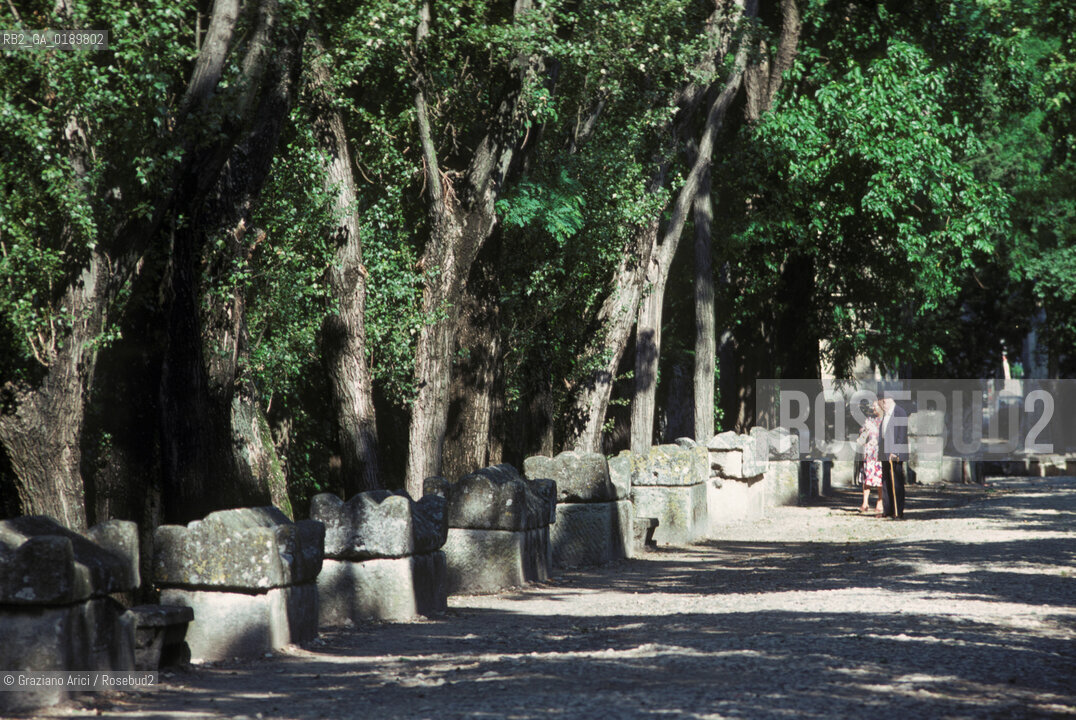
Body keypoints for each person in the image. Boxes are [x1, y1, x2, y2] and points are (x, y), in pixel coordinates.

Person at [878, 395, 908, 519]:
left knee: (896, 482)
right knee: (886, 482)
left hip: (896, 453)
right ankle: (888, 509)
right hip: (885, 452)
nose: (881, 406)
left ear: (887, 401)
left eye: (882, 404)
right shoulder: (886, 413)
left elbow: (901, 434)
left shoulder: (900, 412)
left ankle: (898, 511)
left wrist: (895, 451)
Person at [856, 400, 884, 514]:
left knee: (879, 479)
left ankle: (880, 501)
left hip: (880, 453)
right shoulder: (869, 419)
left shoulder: (884, 420)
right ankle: (865, 502)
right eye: (873, 405)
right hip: (869, 452)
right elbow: (862, 435)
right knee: (867, 477)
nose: (873, 407)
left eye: (875, 405)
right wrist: (864, 430)